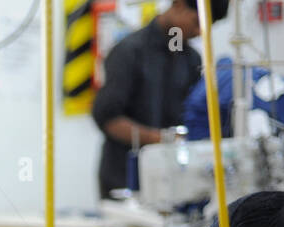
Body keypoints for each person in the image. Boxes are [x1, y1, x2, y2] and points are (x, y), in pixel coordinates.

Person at [92, 0, 229, 199]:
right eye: (197, 22)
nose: (199, 32)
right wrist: (164, 139)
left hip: (172, 178)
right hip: (125, 180)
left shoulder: (191, 59)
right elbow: (108, 118)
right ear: (179, 5)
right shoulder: (129, 52)